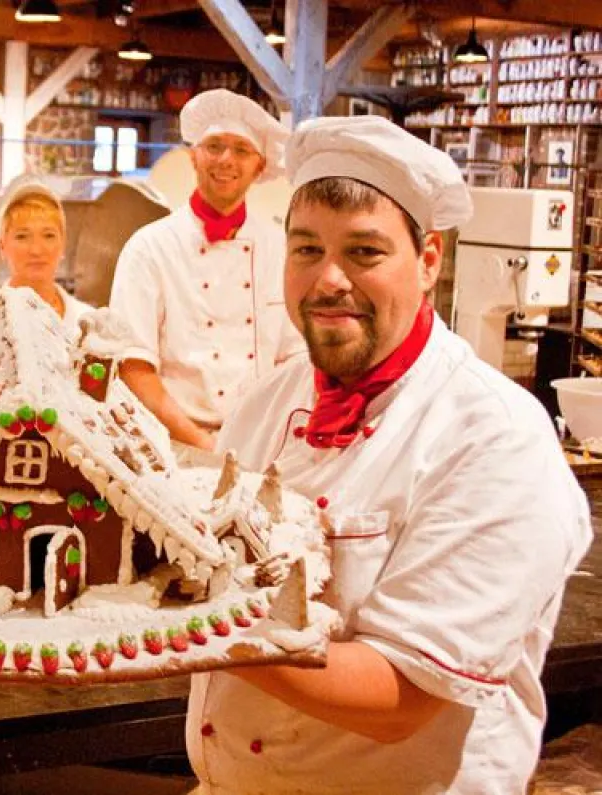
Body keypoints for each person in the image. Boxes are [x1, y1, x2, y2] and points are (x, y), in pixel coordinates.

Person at [186, 115, 593, 794]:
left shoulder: (493, 437)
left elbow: (400, 695)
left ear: (429, 259)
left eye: (365, 252)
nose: (329, 279)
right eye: (307, 249)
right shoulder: (263, 406)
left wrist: (184, 624)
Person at [109, 89, 304, 452]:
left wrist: (272, 438)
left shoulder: (281, 249)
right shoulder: (149, 248)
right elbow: (133, 368)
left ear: (260, 167)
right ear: (193, 157)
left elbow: (295, 361)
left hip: (260, 443)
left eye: (242, 150)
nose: (226, 160)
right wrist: (201, 443)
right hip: (170, 446)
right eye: (214, 146)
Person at [0, 180, 92, 334]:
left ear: (63, 245)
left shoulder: (88, 325)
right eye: (22, 236)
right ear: (2, 247)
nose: (36, 250)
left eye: (48, 235)